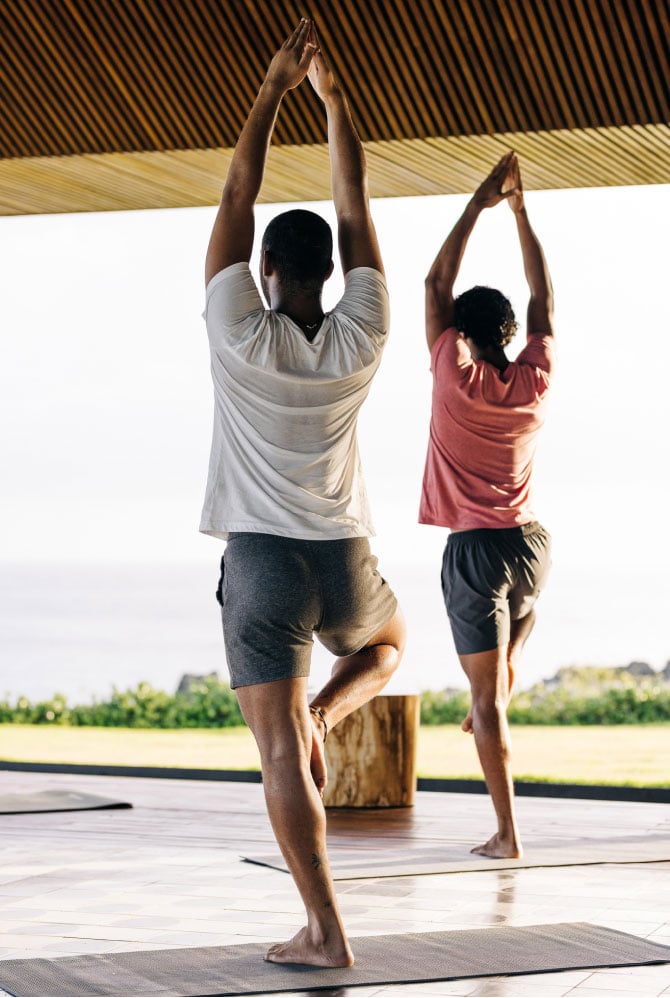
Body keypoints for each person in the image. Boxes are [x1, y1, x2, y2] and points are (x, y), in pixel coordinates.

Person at [200, 20, 405, 967]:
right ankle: (332, 706)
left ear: (267, 273)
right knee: (391, 644)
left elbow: (238, 194)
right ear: (331, 272)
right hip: (345, 558)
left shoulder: (240, 332)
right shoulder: (362, 334)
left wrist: (272, 90)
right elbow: (352, 199)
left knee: (279, 750)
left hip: (264, 563)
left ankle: (325, 931)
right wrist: (332, 99)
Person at [420, 152, 555, 859]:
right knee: (499, 672)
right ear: (510, 332)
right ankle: (507, 665)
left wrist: (478, 203)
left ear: (462, 334)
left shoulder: (454, 371)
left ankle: (507, 833)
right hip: (532, 547)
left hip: (475, 552)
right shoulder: (532, 381)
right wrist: (523, 214)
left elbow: (434, 281)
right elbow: (546, 303)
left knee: (485, 704)